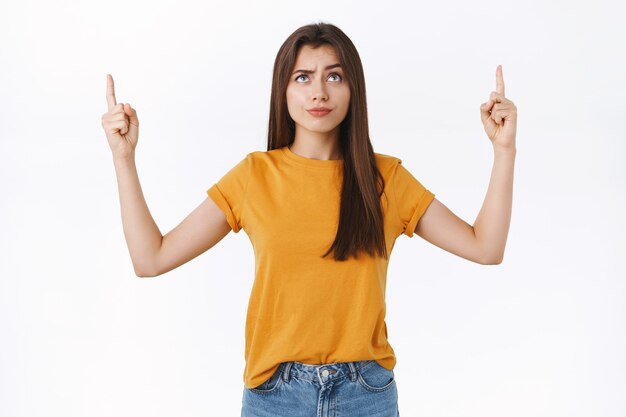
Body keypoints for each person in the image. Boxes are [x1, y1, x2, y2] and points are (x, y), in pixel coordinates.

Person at [101, 21, 516, 417]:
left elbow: (485, 247)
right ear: (283, 90)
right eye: (302, 77)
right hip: (275, 397)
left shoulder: (385, 179)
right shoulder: (254, 176)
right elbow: (150, 259)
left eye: (334, 76)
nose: (318, 92)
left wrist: (504, 151)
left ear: (354, 88)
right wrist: (124, 158)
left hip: (365, 395)